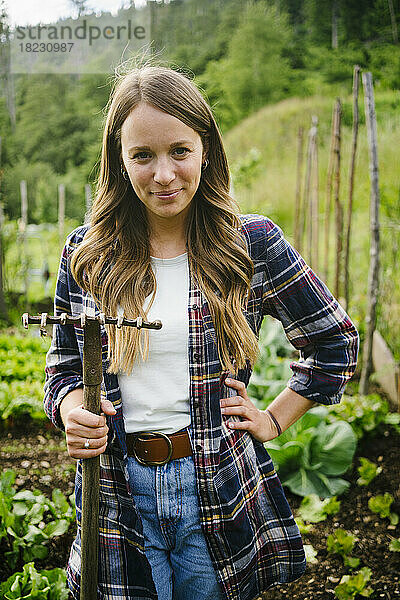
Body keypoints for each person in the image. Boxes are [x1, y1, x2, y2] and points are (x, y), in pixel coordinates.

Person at [44, 63, 359, 600]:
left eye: (179, 151)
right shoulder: (88, 253)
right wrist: (73, 409)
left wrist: (275, 419)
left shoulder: (249, 245)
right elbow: (65, 369)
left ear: (205, 148)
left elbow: (334, 341)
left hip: (214, 482)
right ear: (120, 161)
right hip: (118, 488)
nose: (164, 174)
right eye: (143, 155)